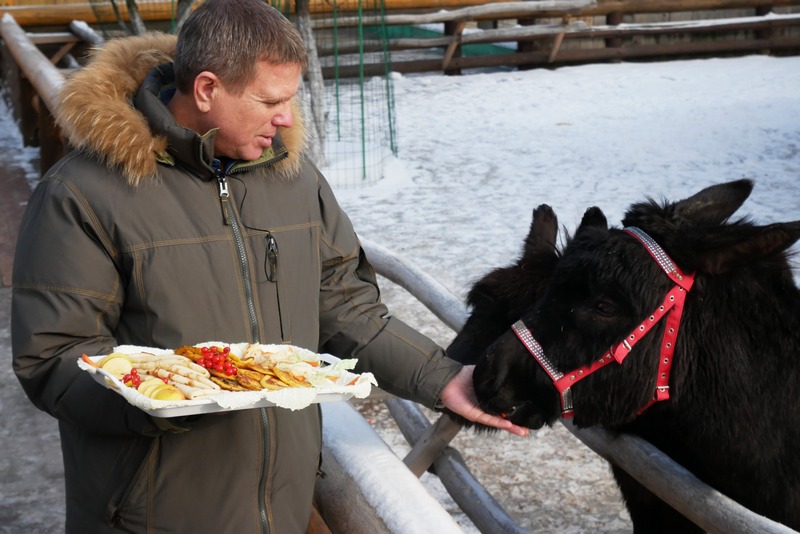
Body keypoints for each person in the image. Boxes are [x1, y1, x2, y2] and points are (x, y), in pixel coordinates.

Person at [11, 0, 527, 532]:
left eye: (290, 98)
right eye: (269, 100)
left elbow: (344, 305)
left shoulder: (295, 181)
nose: (285, 117)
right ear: (207, 90)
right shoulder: (82, 194)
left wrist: (442, 379)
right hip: (152, 513)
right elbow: (53, 356)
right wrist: (160, 396)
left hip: (280, 510)